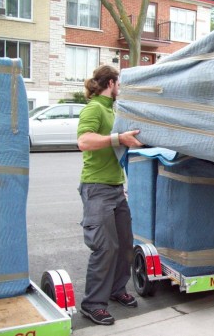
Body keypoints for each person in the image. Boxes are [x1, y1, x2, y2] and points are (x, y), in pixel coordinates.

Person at [77, 65, 143, 325]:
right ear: (112, 83)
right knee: (104, 248)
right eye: (120, 85)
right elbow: (84, 141)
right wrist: (117, 139)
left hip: (115, 188)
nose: (121, 89)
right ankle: (92, 304)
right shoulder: (94, 107)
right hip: (96, 188)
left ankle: (116, 290)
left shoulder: (111, 109)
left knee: (125, 244)